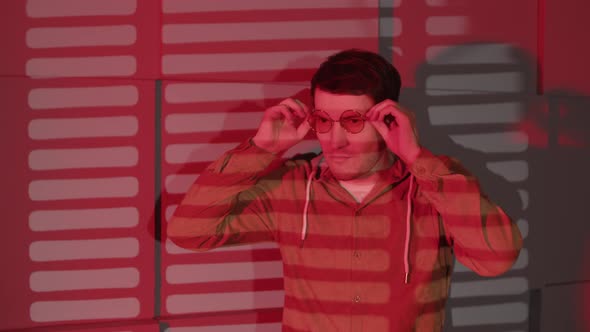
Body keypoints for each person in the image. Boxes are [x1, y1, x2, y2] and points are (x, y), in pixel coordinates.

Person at [168, 49, 523, 331]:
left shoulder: (434, 186)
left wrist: (416, 156)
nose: (334, 140)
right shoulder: (290, 189)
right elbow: (189, 233)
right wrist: (262, 149)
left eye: (353, 121)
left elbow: (495, 260)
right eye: (323, 121)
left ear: (388, 119)